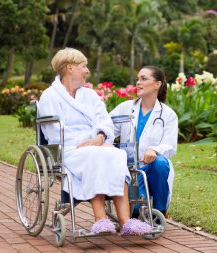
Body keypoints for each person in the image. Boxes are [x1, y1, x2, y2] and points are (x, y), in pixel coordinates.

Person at [38, 48, 151, 236]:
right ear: (70, 68)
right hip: (69, 149)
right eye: (84, 66)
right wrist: (87, 142)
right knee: (95, 156)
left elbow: (104, 120)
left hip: (96, 144)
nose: (87, 71)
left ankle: (125, 222)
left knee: (117, 154)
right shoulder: (50, 96)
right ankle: (101, 219)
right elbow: (53, 133)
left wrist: (99, 137)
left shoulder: (89, 95)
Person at [110, 66, 178, 216]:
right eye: (138, 79)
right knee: (134, 212)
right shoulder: (125, 108)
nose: (138, 83)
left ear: (157, 84)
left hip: (152, 167)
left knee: (160, 163)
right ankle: (137, 208)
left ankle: (159, 212)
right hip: (128, 169)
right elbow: (107, 129)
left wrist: (155, 150)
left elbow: (170, 145)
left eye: (144, 79)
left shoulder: (168, 114)